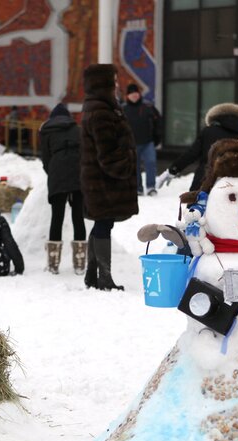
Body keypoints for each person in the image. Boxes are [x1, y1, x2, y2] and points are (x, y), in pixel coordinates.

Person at [80, 63, 138, 291]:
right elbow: (107, 153)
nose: (116, 84)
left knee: (102, 223)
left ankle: (92, 275)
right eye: (113, 80)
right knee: (103, 223)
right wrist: (124, 166)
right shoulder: (101, 110)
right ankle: (103, 278)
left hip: (101, 179)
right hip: (104, 180)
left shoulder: (102, 107)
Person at [157, 102, 238, 193]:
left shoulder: (208, 131)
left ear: (216, 117)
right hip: (235, 185)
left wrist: (173, 170)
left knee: (196, 208)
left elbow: (191, 154)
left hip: (204, 181)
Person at [40, 103, 86, 274]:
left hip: (58, 174)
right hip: (77, 174)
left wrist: (52, 171)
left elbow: (45, 157)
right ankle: (80, 264)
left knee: (57, 218)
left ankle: (53, 264)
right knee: (78, 217)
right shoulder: (78, 129)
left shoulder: (46, 130)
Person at [122, 83, 162, 196]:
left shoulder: (148, 107)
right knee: (134, 166)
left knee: (151, 163)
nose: (134, 95)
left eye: (136, 93)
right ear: (127, 96)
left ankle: (150, 187)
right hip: (130, 144)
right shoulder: (123, 109)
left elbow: (158, 122)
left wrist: (157, 137)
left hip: (148, 142)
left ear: (139, 94)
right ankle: (137, 188)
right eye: (131, 93)